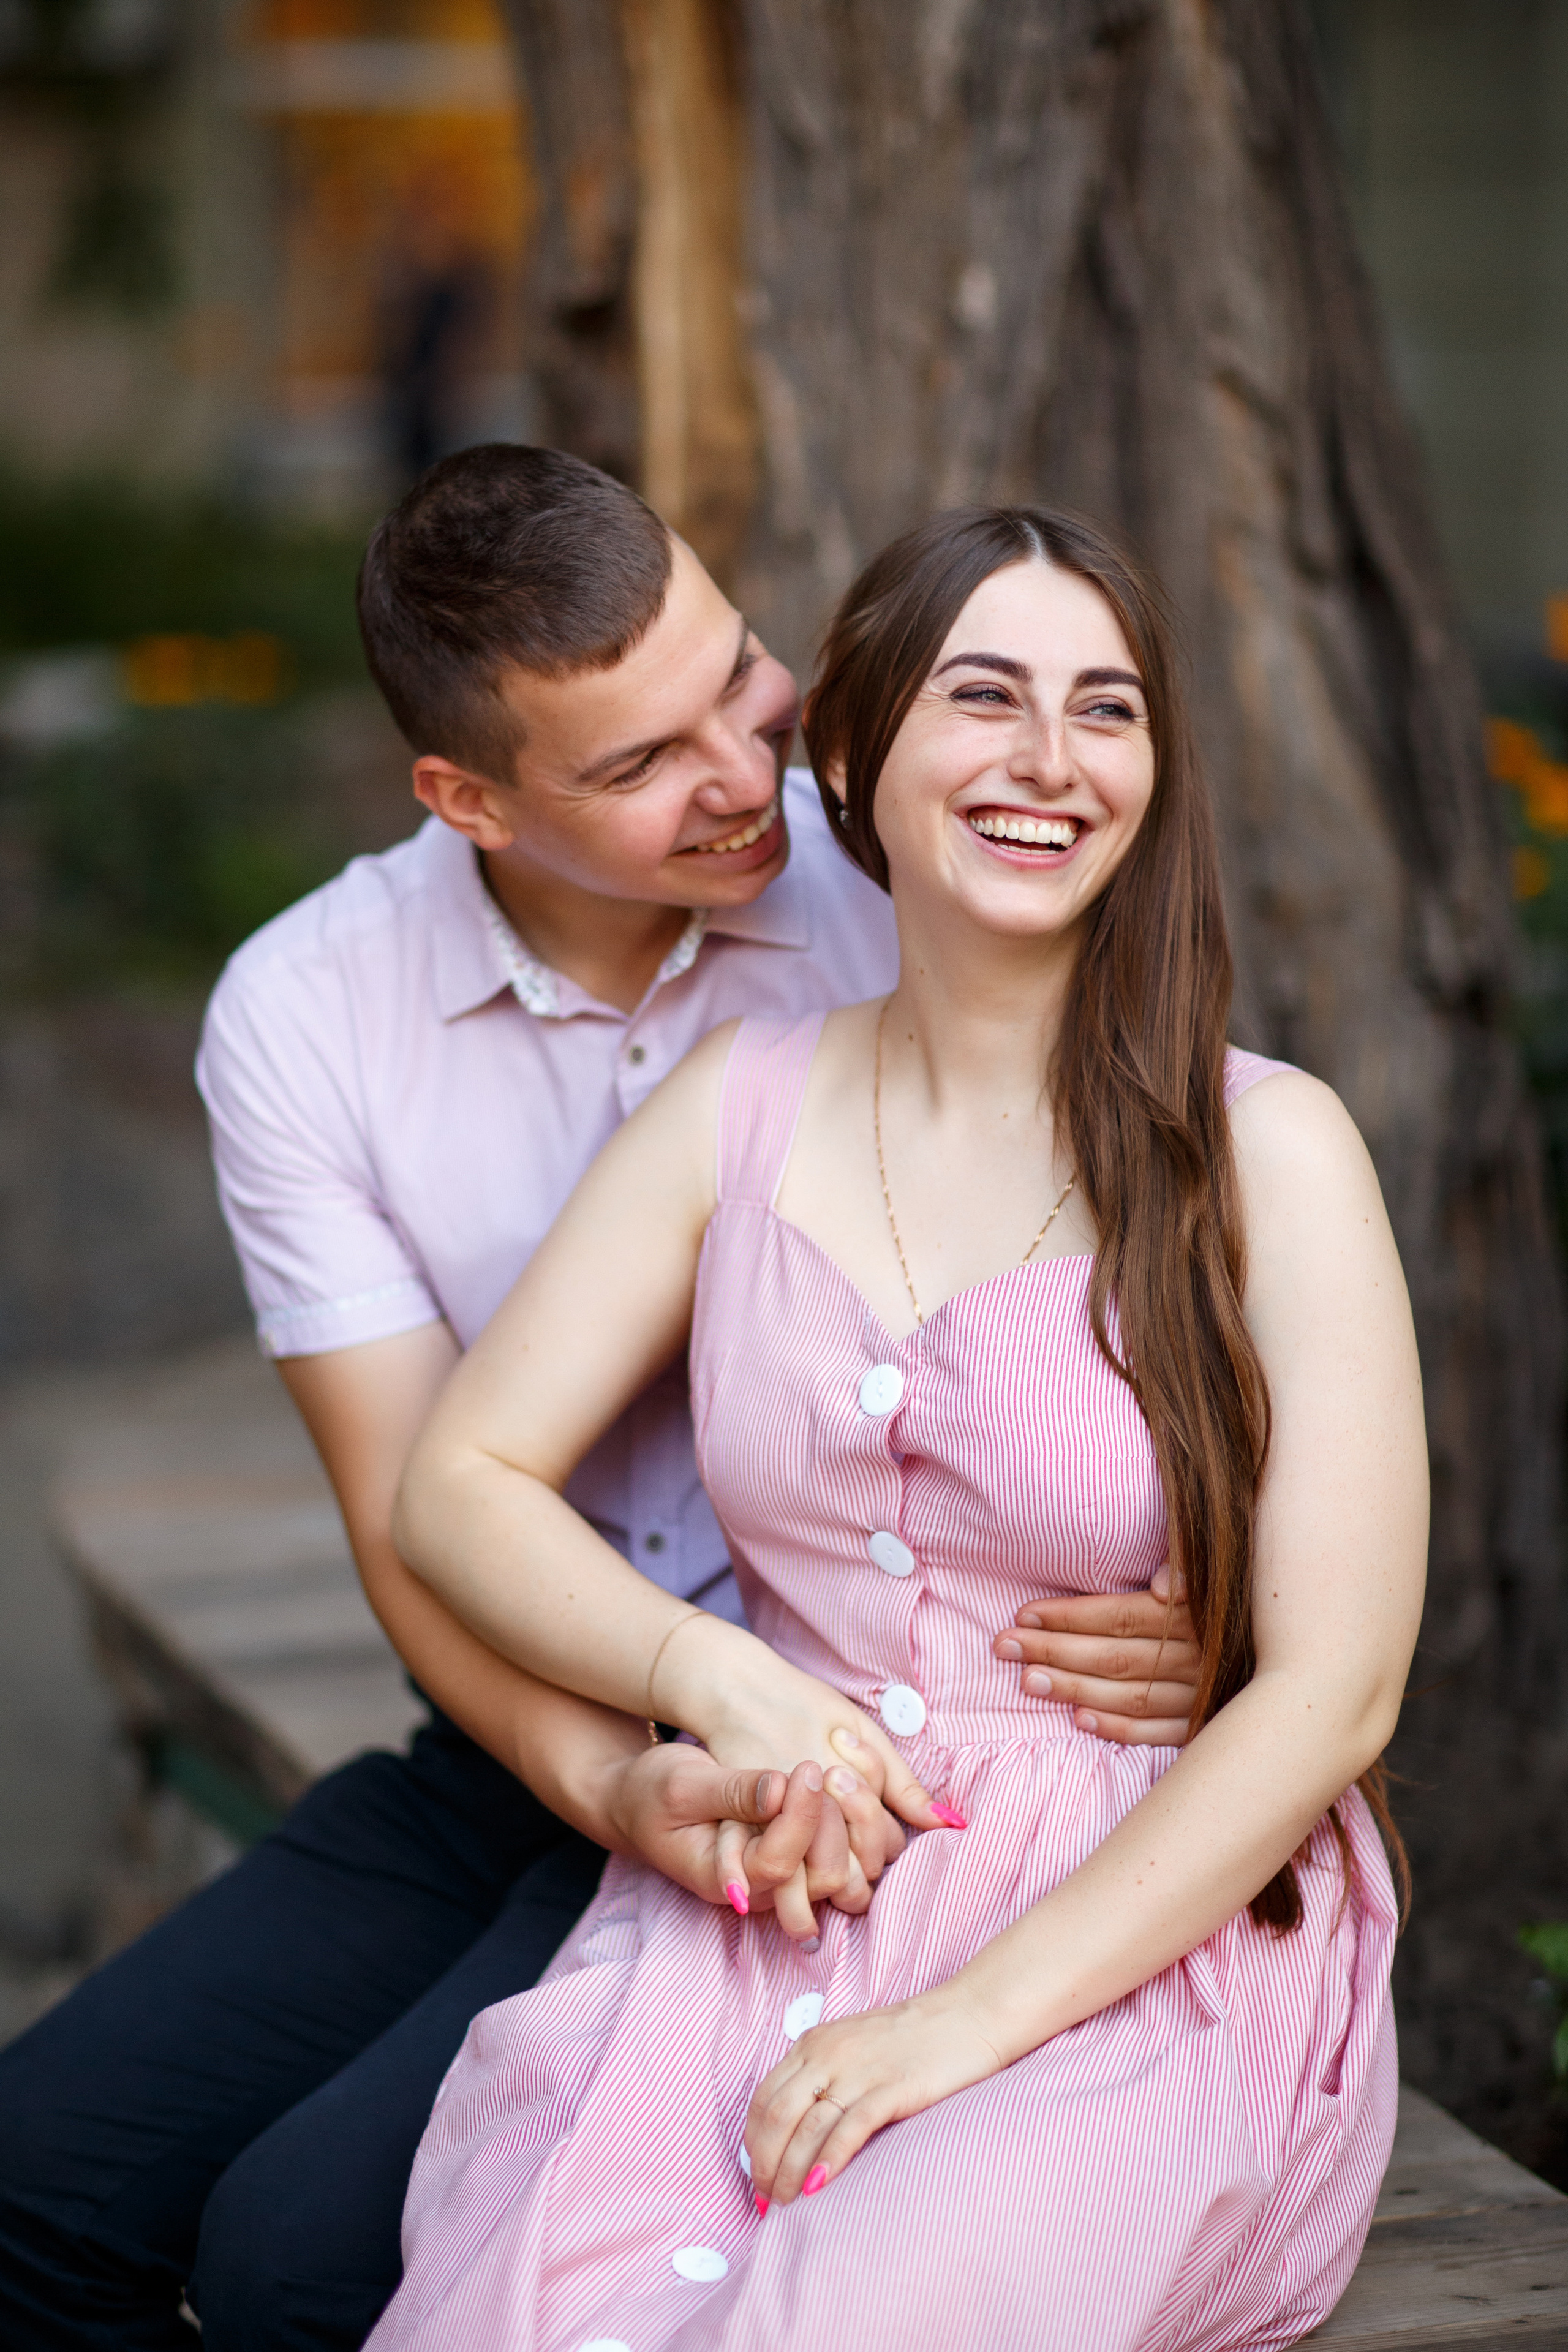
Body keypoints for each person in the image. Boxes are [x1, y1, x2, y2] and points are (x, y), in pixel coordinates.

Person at [0, 451, 1199, 2352]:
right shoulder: (309, 1017)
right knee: (31, 2188)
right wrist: (617, 1786)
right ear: (465, 800)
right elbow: (421, 1513)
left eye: (736, 679)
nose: (741, 778)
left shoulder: (902, 878)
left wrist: (1214, 1604)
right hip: (537, 1729)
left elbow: (1165, 1304)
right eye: (639, 766)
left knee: (302, 2249)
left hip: (884, 1777)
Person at [366, 503, 1428, 2352]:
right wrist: (721, 1678)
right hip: (784, 1893)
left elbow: (1333, 1693)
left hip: (1141, 1945)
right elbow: (458, 1481)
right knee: (521, 2295)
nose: (1049, 760)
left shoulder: (1269, 1149)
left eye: (1107, 712)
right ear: (850, 754)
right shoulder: (745, 1101)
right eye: (987, 697)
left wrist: (962, 2025)